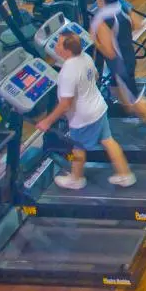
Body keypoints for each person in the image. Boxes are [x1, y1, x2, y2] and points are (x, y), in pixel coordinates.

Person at [36, 33, 136, 189]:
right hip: (98, 108)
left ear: (67, 50)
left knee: (78, 149)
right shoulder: (86, 57)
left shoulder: (68, 72)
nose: (55, 46)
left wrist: (47, 121)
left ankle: (76, 179)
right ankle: (125, 174)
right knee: (108, 141)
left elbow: (65, 104)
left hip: (84, 118)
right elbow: (95, 76)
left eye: (59, 44)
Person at [91, 0, 146, 139]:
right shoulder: (122, 7)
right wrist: (120, 34)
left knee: (135, 97)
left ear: (101, 0)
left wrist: (95, 41)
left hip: (120, 65)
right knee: (114, 88)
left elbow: (109, 52)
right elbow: (138, 24)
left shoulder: (101, 20)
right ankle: (133, 113)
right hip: (129, 57)